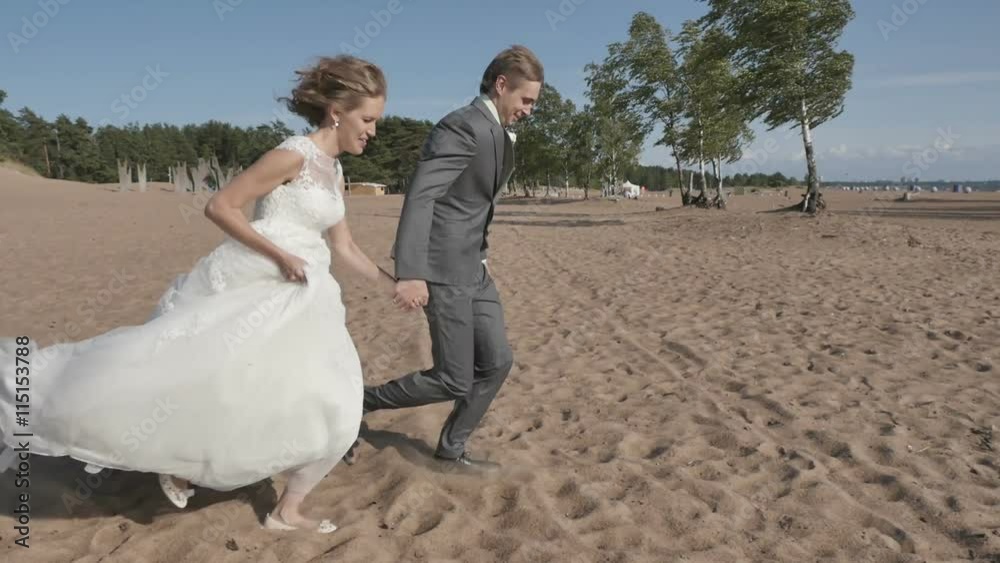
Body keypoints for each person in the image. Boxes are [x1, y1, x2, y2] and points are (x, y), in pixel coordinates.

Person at [0, 55, 393, 534]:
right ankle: (171, 456)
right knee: (207, 377)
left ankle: (286, 510)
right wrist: (281, 256)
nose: (373, 131)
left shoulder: (334, 170)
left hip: (310, 294)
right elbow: (221, 205)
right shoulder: (293, 155)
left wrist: (396, 285)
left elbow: (345, 246)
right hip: (264, 281)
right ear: (337, 112)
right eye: (367, 119)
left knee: (326, 400)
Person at [351, 45, 543, 470]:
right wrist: (411, 271)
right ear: (501, 85)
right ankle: (359, 402)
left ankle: (452, 447)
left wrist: (481, 257)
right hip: (442, 269)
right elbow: (422, 196)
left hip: (476, 269)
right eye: (526, 100)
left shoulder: (496, 131)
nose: (529, 110)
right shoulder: (461, 126)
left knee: (497, 362)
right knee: (453, 378)